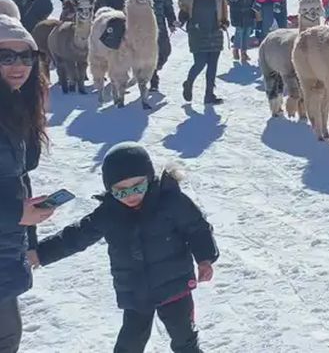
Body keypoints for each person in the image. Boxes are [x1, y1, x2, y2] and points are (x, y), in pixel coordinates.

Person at [34, 142, 218, 353]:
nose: (131, 195)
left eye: (138, 186)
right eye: (120, 191)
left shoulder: (171, 202)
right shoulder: (109, 214)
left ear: (149, 178)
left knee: (184, 338)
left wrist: (205, 258)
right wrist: (40, 254)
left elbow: (197, 228)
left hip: (174, 287)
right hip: (136, 291)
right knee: (130, 343)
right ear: (109, 190)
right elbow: (76, 236)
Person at [0, 14, 54, 352]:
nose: (18, 65)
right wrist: (16, 214)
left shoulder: (16, 104)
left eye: (26, 57)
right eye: (6, 57)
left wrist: (27, 225)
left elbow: (18, 177)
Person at [178, 0, 229, 105]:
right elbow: (185, 8)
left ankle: (209, 95)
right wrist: (180, 20)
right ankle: (188, 83)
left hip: (215, 31)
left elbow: (223, 8)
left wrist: (224, 22)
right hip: (197, 31)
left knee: (213, 65)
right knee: (200, 63)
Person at [134, 0, 177, 93]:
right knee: (149, 56)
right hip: (143, 30)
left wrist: (171, 21)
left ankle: (155, 68)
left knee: (165, 51)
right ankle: (153, 81)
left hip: (160, 27)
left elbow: (168, 8)